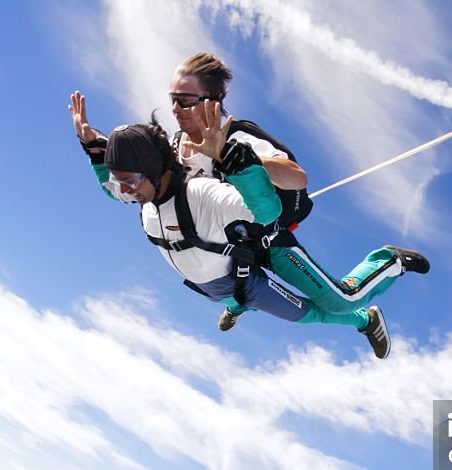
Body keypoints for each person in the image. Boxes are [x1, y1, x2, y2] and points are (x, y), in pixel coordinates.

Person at [69, 51, 429, 333]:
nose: (175, 109)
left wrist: (230, 155)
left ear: (213, 101)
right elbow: (138, 175)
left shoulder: (239, 136)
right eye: (172, 99)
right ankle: (237, 303)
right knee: (228, 278)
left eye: (185, 99)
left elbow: (296, 177)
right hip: (229, 247)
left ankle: (389, 261)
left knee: (339, 303)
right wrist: (97, 147)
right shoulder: (176, 143)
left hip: (267, 239)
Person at [93, 100, 395, 358]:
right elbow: (111, 189)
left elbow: (265, 212)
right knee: (232, 301)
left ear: (153, 167)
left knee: (304, 314)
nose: (126, 191)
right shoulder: (143, 197)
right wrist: (91, 148)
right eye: (120, 182)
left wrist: (240, 166)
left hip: (242, 281)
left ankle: (363, 319)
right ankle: (236, 308)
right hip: (211, 288)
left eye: (130, 181)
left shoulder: (200, 193)